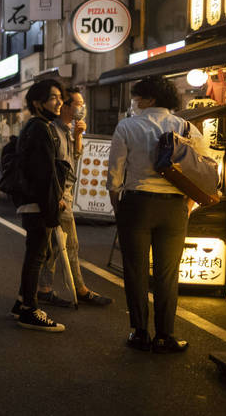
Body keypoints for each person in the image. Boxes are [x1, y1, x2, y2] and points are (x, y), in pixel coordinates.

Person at [107, 76, 200, 353]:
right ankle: (165, 335)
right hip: (174, 207)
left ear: (150, 99)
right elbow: (201, 170)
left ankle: (139, 333)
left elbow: (115, 174)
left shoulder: (127, 126)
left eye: (138, 97)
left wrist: (117, 205)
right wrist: (188, 204)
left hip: (137, 204)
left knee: (135, 272)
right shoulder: (186, 127)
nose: (135, 101)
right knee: (167, 274)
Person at [37, 87, 112, 307]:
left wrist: (78, 135)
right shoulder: (52, 129)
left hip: (64, 195)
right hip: (58, 197)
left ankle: (44, 289)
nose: (82, 108)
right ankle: (79, 289)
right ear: (66, 106)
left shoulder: (68, 129)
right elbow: (51, 167)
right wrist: (57, 196)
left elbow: (75, 158)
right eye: (78, 104)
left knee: (52, 245)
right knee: (69, 244)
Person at [8, 79, 67, 333]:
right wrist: (53, 205)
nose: (59, 102)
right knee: (37, 256)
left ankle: (22, 303)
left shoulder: (38, 126)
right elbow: (45, 173)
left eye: (60, 98)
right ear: (37, 102)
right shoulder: (41, 128)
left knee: (35, 254)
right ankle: (30, 310)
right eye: (54, 97)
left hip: (34, 200)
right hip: (38, 203)